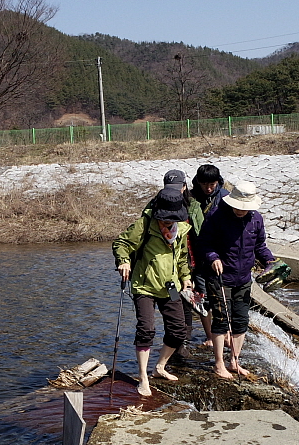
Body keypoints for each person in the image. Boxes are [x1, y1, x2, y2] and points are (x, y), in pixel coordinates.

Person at [112, 186, 194, 396]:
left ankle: (159, 367)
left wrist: (186, 278)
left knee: (178, 330)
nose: (168, 222)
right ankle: (143, 377)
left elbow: (182, 257)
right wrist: (123, 262)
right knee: (146, 329)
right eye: (166, 218)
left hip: (170, 286)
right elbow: (121, 243)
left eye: (173, 218)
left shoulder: (182, 229)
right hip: (144, 285)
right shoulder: (145, 224)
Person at [198, 180, 275, 380]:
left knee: (241, 321)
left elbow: (259, 246)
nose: (241, 211)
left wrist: (269, 259)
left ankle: (234, 360)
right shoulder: (216, 216)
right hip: (220, 277)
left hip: (243, 277)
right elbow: (204, 243)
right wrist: (213, 257)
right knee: (221, 320)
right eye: (238, 207)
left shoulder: (256, 219)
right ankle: (218, 364)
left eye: (245, 208)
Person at [185, 164, 228, 341]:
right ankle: (210, 336)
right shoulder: (191, 197)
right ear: (198, 182)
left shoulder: (225, 197)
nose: (208, 188)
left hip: (221, 254)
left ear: (218, 182)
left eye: (212, 184)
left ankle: (225, 333)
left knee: (222, 296)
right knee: (202, 297)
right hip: (198, 254)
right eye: (205, 185)